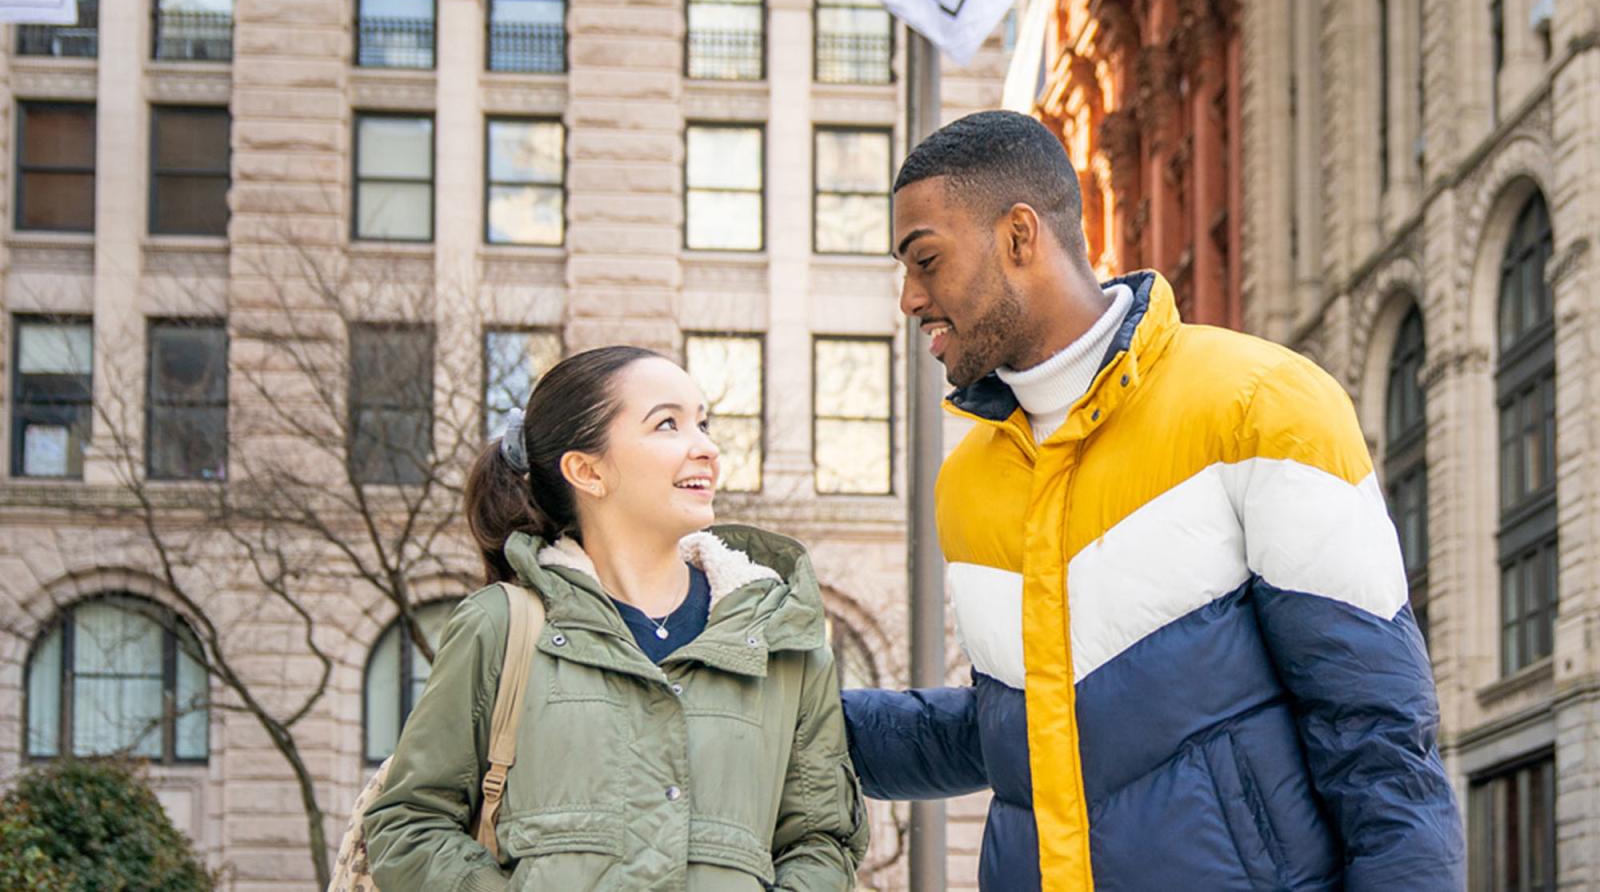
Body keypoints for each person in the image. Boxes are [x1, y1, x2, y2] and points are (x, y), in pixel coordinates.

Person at [842, 110, 1464, 891]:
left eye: (925, 260)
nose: (909, 298)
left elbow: (1378, 739)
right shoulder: (967, 482)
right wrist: (795, 721)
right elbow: (1020, 732)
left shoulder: (1261, 404)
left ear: (1020, 237)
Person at [363, 345, 868, 891]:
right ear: (587, 470)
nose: (706, 449)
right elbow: (408, 824)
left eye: (703, 423)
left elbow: (822, 839)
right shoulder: (502, 627)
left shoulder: (779, 635)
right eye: (668, 424)